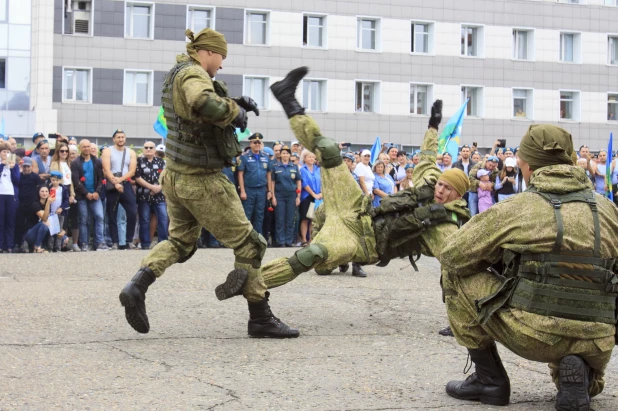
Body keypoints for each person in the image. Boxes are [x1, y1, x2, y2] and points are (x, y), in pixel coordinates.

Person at [216, 67, 470, 301]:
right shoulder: (431, 178)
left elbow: (455, 261)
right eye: (441, 185)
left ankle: (252, 282)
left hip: (360, 241)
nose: (440, 190)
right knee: (327, 150)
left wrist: (460, 307)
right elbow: (427, 153)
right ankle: (287, 98)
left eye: (448, 190)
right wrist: (433, 125)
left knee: (311, 255)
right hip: (358, 208)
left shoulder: (445, 227)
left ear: (458, 195)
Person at [119, 27, 298, 338]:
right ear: (209, 53)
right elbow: (201, 101)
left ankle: (138, 285)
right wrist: (234, 112)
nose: (222, 65)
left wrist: (233, 100)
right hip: (200, 180)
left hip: (175, 176)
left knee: (180, 242)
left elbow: (195, 110)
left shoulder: (179, 71)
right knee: (251, 243)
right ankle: (260, 317)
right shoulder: (192, 74)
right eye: (222, 57)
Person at [440, 124, 618, 409]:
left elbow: (452, 256)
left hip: (534, 334)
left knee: (455, 274)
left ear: (527, 165)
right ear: (572, 160)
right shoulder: (609, 210)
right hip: (598, 337)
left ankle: (490, 380)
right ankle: (582, 372)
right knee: (584, 338)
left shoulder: (516, 208)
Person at [101, 130, 138, 250]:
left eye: (122, 137)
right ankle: (115, 241)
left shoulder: (131, 152)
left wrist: (120, 180)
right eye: (118, 137)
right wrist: (115, 182)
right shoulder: (108, 151)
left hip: (125, 182)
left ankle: (129, 240)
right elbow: (106, 170)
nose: (121, 139)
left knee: (132, 212)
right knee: (112, 214)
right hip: (112, 184)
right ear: (114, 139)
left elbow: (132, 171)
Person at [72, 139, 107, 251]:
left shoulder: (96, 161)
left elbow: (101, 178)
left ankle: (99, 243)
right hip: (82, 196)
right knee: (84, 219)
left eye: (88, 146)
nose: (86, 149)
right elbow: (76, 180)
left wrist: (97, 192)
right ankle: (84, 243)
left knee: (100, 217)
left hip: (95, 194)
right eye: (84, 147)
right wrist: (86, 193)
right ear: (80, 148)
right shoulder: (76, 163)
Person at [135, 141, 168, 250]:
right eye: (146, 147)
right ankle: (145, 244)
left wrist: (159, 187)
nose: (148, 149)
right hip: (144, 196)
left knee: (163, 218)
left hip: (159, 196)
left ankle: (163, 243)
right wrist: (151, 187)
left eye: (151, 147)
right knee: (144, 220)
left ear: (155, 150)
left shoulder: (161, 162)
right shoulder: (138, 161)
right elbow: (137, 178)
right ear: (143, 149)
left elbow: (166, 177)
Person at [237, 133, 272, 235]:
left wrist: (269, 190)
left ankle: (257, 238)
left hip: (261, 190)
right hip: (249, 189)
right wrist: (242, 191)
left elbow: (269, 175)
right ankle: (246, 237)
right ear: (251, 144)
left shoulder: (266, 157)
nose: (257, 144)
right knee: (247, 215)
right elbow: (240, 174)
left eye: (259, 142)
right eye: (255, 142)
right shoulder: (245, 157)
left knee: (259, 215)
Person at [271, 145, 301, 247]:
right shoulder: (275, 167)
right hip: (279, 195)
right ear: (281, 154)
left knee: (290, 219)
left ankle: (289, 240)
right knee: (280, 219)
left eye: (287, 153)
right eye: (283, 153)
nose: (285, 155)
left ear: (290, 155)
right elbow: (272, 182)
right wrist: (273, 196)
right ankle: (281, 241)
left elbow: (298, 181)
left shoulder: (294, 167)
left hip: (291, 195)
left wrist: (298, 196)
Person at [15, 157, 41, 252]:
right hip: (21, 203)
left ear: (31, 166)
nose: (26, 169)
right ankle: (18, 244)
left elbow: (39, 188)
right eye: (24, 166)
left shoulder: (35, 177)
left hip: (32, 204)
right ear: (22, 166)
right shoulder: (19, 176)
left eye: (28, 166)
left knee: (32, 224)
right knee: (20, 224)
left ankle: (30, 245)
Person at [0, 141, 19, 253]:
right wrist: (2, 165)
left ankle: (9, 245)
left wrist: (12, 168)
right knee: (1, 220)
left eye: (8, 152)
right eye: (3, 151)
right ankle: (1, 244)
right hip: (1, 194)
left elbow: (17, 180)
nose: (6, 154)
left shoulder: (14, 165)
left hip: (11, 194)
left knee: (10, 220)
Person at [299, 150, 321, 246]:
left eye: (313, 157)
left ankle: (311, 240)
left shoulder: (318, 169)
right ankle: (304, 239)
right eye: (309, 157)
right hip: (307, 197)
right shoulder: (302, 169)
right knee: (305, 218)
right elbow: (304, 183)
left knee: (313, 219)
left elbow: (323, 182)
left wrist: (321, 193)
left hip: (318, 197)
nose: (312, 159)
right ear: (304, 158)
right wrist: (313, 194)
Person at [23, 185, 53, 253]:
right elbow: (44, 218)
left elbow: (52, 219)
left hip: (42, 232)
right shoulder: (35, 204)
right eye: (42, 191)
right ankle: (37, 247)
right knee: (44, 224)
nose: (44, 193)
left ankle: (48, 246)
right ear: (38, 192)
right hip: (30, 233)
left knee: (64, 237)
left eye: (46, 191)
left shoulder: (48, 203)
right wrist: (48, 204)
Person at [47, 171, 70, 252]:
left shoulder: (62, 189)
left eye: (57, 180)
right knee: (51, 231)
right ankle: (50, 248)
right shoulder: (48, 189)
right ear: (51, 180)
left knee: (59, 231)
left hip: (60, 213)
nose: (55, 182)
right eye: (53, 180)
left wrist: (62, 208)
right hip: (51, 214)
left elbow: (66, 200)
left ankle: (58, 247)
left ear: (60, 180)